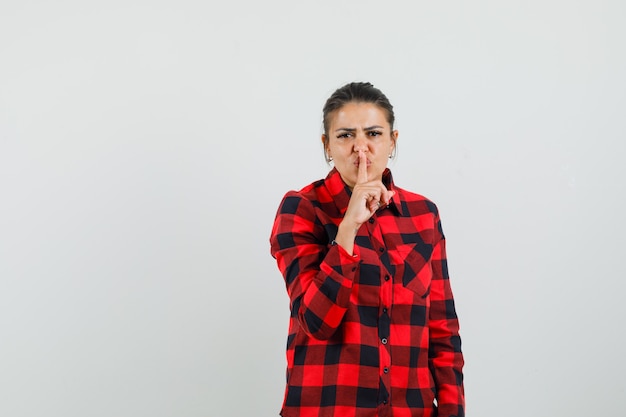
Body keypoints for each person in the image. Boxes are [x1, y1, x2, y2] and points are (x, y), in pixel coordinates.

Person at [270, 82, 464, 417]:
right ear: (327, 145)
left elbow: (443, 332)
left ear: (393, 141)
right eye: (345, 135)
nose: (361, 149)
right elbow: (316, 322)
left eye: (373, 134)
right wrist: (347, 228)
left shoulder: (422, 215)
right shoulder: (301, 209)